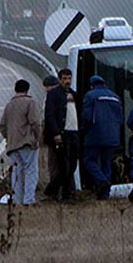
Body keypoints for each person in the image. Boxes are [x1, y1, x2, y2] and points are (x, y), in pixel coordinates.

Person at [0, 79, 41, 206]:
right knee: (30, 171)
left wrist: (8, 137)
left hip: (13, 144)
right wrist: (37, 138)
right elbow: (35, 122)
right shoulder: (30, 102)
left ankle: (17, 199)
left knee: (17, 173)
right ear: (27, 89)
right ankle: (29, 199)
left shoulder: (9, 105)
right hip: (27, 142)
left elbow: (2, 125)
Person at [82, 75, 123, 200]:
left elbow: (87, 117)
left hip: (95, 135)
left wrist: (84, 130)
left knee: (89, 161)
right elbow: (120, 119)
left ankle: (103, 181)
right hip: (112, 136)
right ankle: (105, 195)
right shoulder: (115, 97)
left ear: (92, 85)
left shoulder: (90, 95)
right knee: (107, 164)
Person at [45, 68, 80, 201]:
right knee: (63, 165)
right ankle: (65, 194)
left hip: (74, 133)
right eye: (64, 79)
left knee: (72, 165)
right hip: (62, 133)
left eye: (69, 78)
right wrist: (55, 133)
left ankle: (52, 189)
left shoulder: (74, 95)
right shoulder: (54, 94)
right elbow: (50, 115)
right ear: (60, 80)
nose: (67, 81)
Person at [41, 75, 60, 198]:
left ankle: (54, 191)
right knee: (52, 164)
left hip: (57, 136)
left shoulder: (55, 98)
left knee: (56, 164)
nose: (48, 89)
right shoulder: (48, 98)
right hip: (52, 136)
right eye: (46, 87)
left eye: (50, 86)